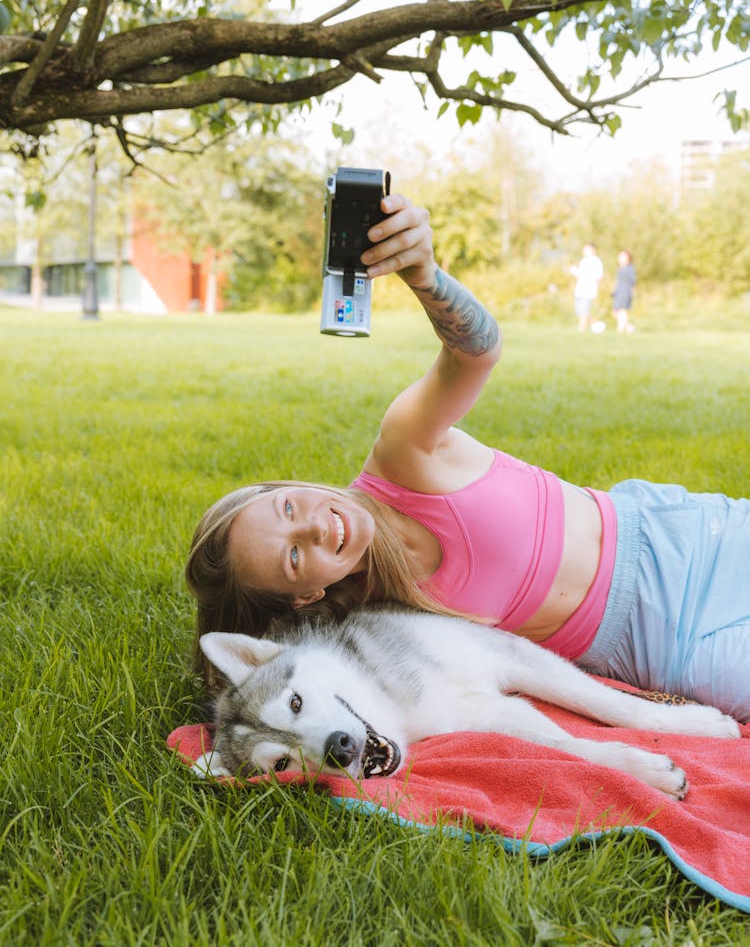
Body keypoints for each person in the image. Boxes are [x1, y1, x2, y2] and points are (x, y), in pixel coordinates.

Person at [186, 195, 750, 721]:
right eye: (293, 558)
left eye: (287, 509)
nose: (313, 525)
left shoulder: (402, 454)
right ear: (307, 595)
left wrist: (425, 276)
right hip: (655, 646)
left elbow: (475, 353)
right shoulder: (378, 628)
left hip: (676, 538)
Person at [569, 242, 604, 332]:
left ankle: (581, 329)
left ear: (593, 250)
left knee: (584, 310)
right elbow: (580, 275)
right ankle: (596, 325)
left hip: (589, 290)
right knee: (580, 311)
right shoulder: (583, 261)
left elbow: (598, 276)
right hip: (580, 289)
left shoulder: (596, 262)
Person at [612, 249, 636, 333]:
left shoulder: (630, 268)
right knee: (615, 311)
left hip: (625, 291)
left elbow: (632, 280)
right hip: (619, 291)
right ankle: (629, 327)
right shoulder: (621, 268)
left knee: (622, 310)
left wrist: (632, 290)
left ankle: (620, 329)